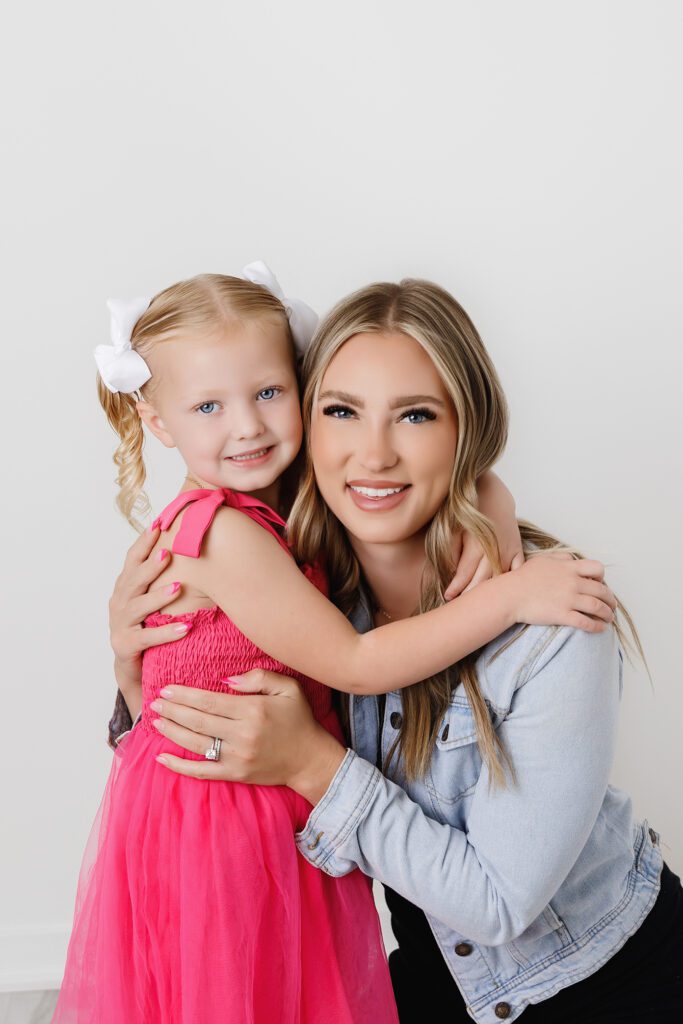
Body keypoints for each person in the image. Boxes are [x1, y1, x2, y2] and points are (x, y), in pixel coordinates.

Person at [112, 278, 682, 1023]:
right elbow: (186, 723)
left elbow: (496, 905)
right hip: (432, 978)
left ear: (467, 429)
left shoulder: (551, 618)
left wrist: (311, 763)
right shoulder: (304, 574)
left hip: (601, 984)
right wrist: (129, 663)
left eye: (416, 415)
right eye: (341, 411)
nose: (373, 454)